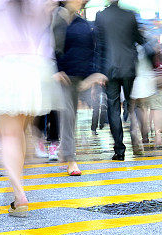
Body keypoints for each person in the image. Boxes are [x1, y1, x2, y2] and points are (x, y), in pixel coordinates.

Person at [0, 0, 57, 218]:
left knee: (8, 135)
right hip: (33, 65)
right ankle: (22, 180)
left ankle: (19, 194)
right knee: (20, 132)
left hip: (0, 65)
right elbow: (48, 15)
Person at [53, 0, 106, 176]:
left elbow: (92, 49)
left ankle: (65, 152)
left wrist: (93, 75)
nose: (80, 1)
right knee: (67, 116)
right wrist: (55, 70)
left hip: (76, 76)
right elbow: (49, 46)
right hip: (59, 76)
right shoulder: (55, 18)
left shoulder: (82, 23)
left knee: (70, 116)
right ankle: (70, 159)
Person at [95, 0, 146, 161]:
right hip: (129, 67)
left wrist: (99, 71)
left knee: (113, 108)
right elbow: (140, 39)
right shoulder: (130, 15)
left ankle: (119, 150)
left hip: (109, 69)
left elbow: (100, 45)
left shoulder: (101, 16)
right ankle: (136, 134)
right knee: (131, 104)